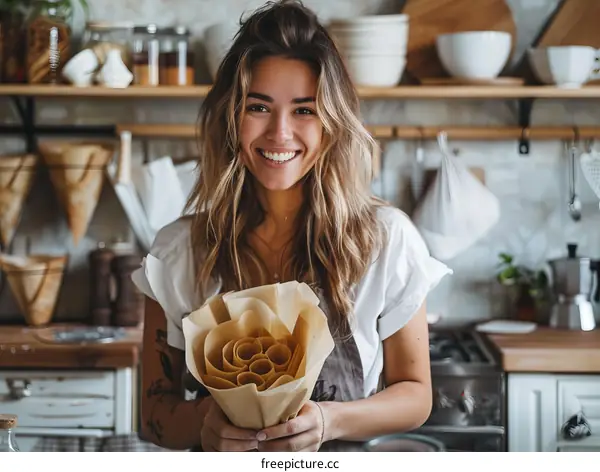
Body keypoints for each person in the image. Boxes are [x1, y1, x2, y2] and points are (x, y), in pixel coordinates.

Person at [131, 0, 452, 453]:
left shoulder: (383, 239)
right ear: (231, 117)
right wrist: (205, 421)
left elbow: (416, 394)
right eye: (258, 106)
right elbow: (152, 415)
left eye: (304, 110)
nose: (279, 133)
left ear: (331, 124)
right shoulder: (179, 250)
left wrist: (329, 419)